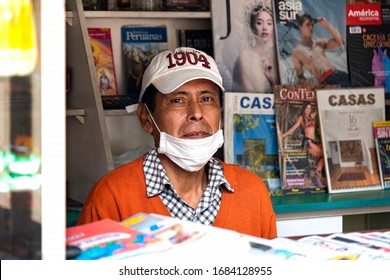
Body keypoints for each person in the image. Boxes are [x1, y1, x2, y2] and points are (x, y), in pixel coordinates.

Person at [77, 47, 277, 239]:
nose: (197, 113)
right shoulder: (112, 197)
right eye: (177, 101)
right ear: (146, 118)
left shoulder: (253, 191)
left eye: (207, 99)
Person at [291, 13, 350, 87]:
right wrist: (317, 87)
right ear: (300, 27)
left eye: (312, 24)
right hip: (327, 81)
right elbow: (300, 77)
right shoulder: (297, 51)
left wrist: (326, 24)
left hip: (339, 74)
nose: (311, 27)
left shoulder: (320, 42)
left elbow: (341, 42)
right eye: (308, 25)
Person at [233, 4, 279, 92]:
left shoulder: (277, 56)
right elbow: (248, 92)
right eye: (259, 23)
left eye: (269, 23)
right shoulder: (246, 57)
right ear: (253, 27)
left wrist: (273, 80)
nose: (265, 28)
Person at [281, 101, 324, 178]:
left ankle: (318, 171)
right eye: (307, 108)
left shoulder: (311, 117)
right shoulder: (301, 118)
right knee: (324, 154)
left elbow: (317, 109)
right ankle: (317, 172)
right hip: (308, 142)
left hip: (313, 142)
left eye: (310, 108)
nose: (308, 110)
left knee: (323, 157)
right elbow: (293, 128)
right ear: (304, 109)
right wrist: (283, 135)